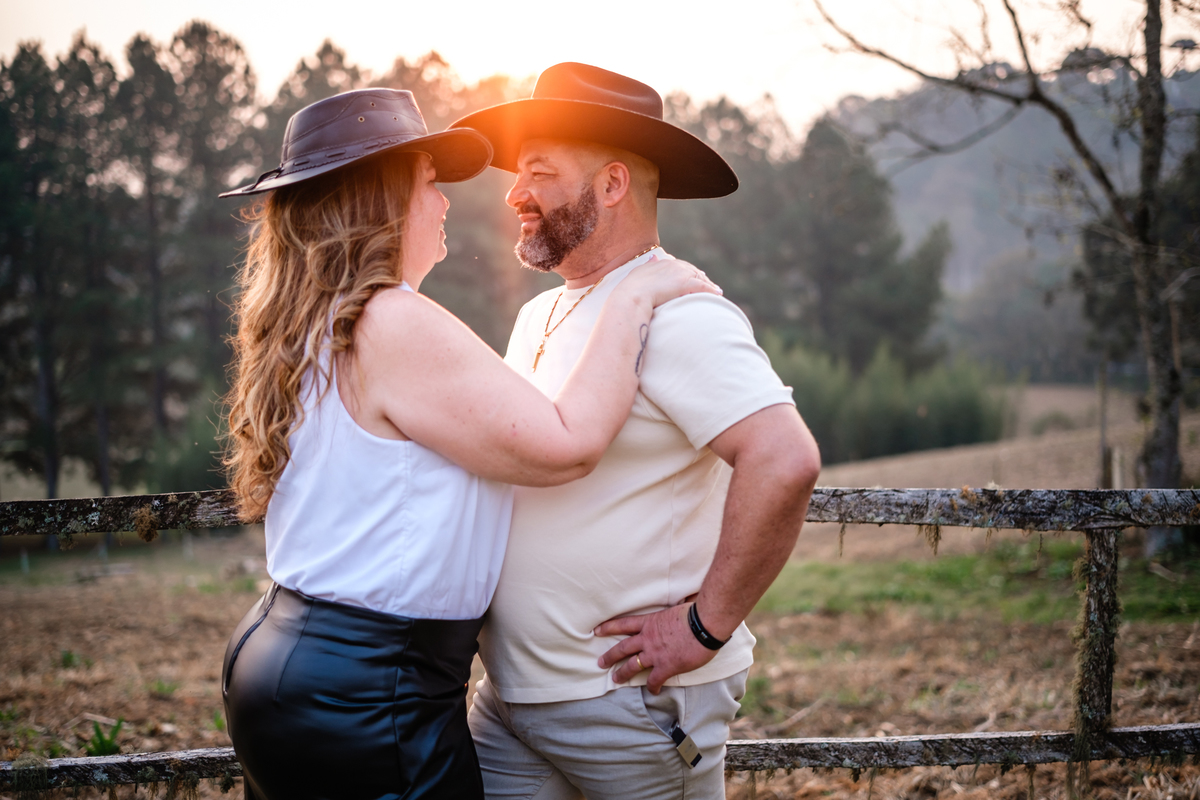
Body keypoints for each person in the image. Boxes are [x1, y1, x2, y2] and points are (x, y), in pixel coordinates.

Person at [216, 88, 720, 800]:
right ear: (382, 198)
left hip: (295, 665)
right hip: (372, 693)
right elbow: (567, 444)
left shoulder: (314, 322)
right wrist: (636, 295)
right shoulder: (392, 320)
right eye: (430, 182)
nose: (447, 201)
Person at [449, 63, 823, 799]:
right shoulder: (540, 313)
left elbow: (785, 460)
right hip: (512, 701)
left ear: (613, 185)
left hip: (629, 707)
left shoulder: (683, 316)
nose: (514, 194)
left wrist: (704, 626)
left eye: (540, 173)